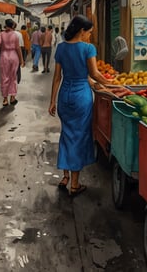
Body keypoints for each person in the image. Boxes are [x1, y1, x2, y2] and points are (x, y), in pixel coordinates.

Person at [48, 15, 116, 197]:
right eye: (89, 33)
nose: (90, 36)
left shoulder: (61, 48)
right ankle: (75, 184)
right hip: (81, 97)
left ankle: (65, 176)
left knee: (67, 134)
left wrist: (52, 101)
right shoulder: (88, 48)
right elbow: (94, 74)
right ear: (82, 31)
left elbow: (57, 78)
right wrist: (114, 85)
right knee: (78, 137)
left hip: (64, 96)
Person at [0, 18, 24, 107]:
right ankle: (12, 97)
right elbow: (18, 48)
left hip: (4, 56)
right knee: (13, 77)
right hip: (14, 56)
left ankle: (5, 99)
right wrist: (21, 60)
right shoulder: (15, 35)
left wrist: (2, 44)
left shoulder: (1, 34)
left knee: (4, 77)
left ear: (6, 25)